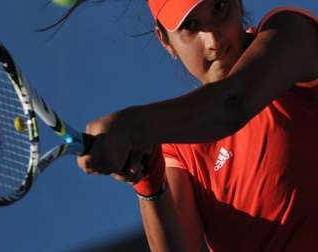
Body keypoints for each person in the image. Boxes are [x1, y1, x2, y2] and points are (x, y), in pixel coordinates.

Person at [54, 0, 318, 250]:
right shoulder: (177, 148)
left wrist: (133, 126)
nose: (214, 41)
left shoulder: (290, 31)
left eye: (219, 8)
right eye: (190, 26)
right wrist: (148, 179)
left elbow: (231, 104)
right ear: (165, 41)